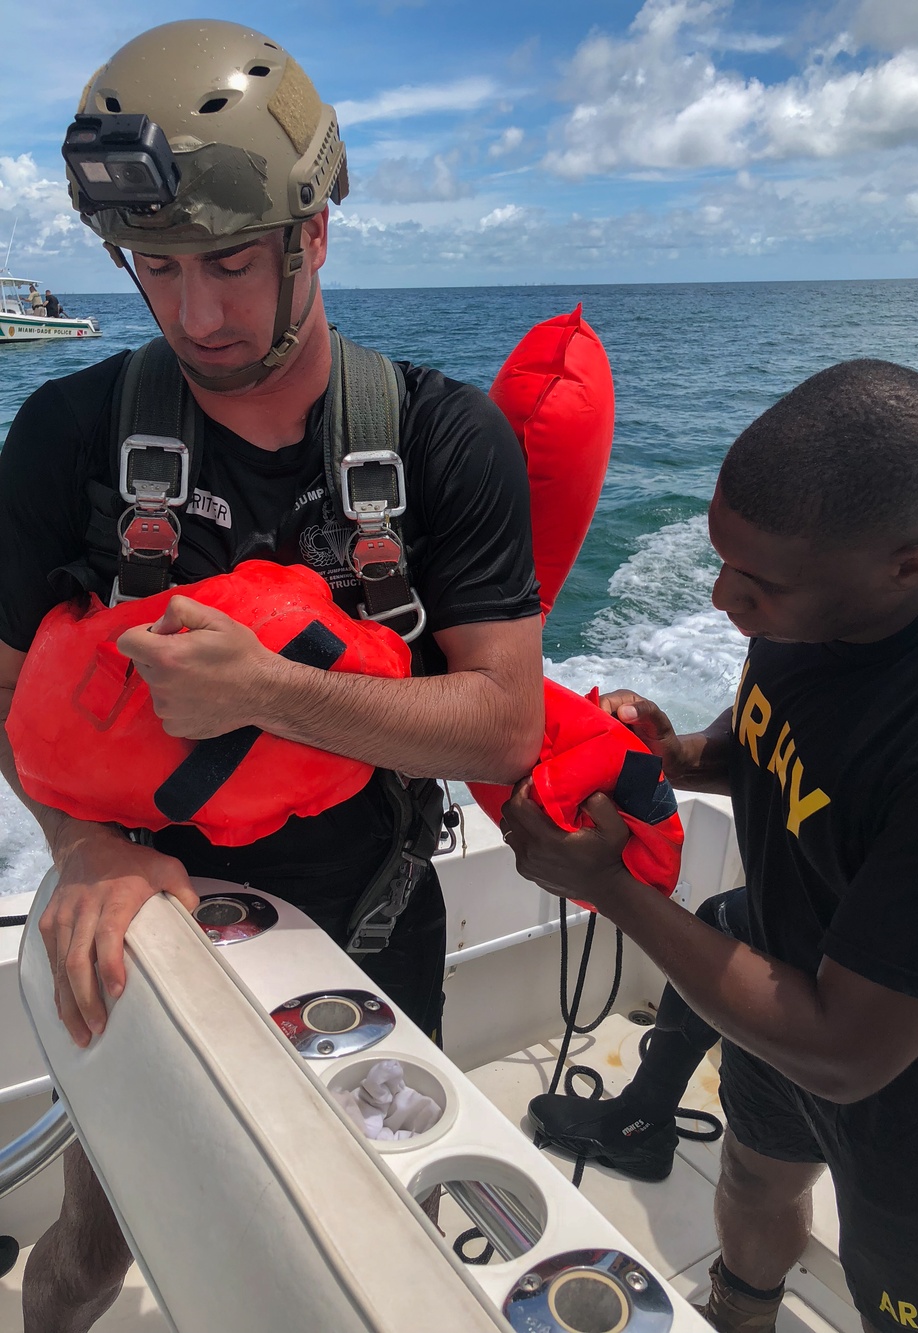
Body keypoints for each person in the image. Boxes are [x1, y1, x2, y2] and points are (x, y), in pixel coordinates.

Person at [0, 19, 543, 1332]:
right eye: (154, 268)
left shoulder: (441, 439)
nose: (196, 313)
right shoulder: (67, 436)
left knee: (357, 1234)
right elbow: (8, 693)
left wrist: (273, 693)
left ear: (315, 229)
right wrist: (81, 843)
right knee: (96, 1227)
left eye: (231, 264)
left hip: (374, 913)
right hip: (133, 922)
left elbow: (503, 727)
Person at [504, 359, 918, 1333]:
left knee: (909, 1305)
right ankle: (741, 1311)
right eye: (721, 560)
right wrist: (677, 753)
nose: (729, 598)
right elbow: (779, 734)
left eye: (759, 585)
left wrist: (612, 889)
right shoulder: (819, 595)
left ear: (908, 563)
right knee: (752, 1174)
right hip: (783, 980)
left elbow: (846, 1055)